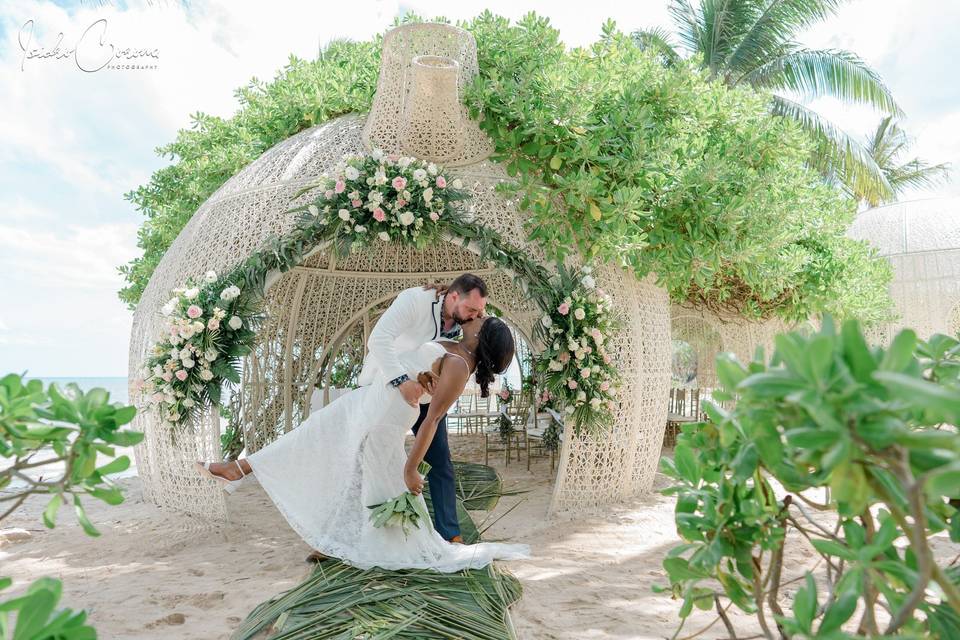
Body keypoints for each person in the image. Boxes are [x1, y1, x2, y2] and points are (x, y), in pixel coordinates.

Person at [196, 315, 530, 572]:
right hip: (374, 400)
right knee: (330, 447)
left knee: (332, 450)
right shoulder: (453, 346)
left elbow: (432, 421)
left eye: (484, 318)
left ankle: (242, 469)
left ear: (483, 334)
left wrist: (411, 468)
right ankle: (246, 471)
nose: (479, 314)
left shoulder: (459, 364)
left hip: (386, 412)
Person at [357, 273, 488, 543]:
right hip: (385, 390)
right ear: (453, 296)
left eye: (479, 310)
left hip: (427, 398)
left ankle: (450, 535)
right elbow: (378, 340)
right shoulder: (415, 300)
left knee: (440, 461)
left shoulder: (465, 318)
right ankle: (338, 536)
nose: (476, 315)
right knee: (363, 460)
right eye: (472, 309)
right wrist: (401, 381)